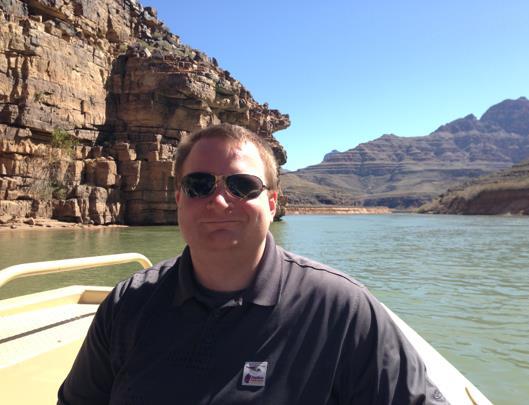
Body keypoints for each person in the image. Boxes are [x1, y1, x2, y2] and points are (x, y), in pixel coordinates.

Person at [58, 124, 447, 404]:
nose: (219, 201)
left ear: (273, 203)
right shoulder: (128, 304)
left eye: (242, 186)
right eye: (199, 185)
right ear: (179, 199)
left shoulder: (342, 310)